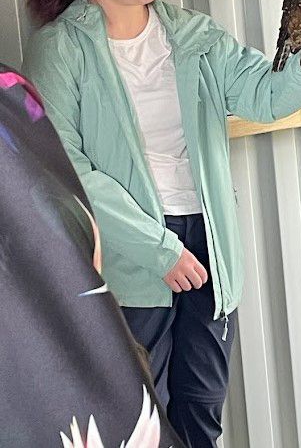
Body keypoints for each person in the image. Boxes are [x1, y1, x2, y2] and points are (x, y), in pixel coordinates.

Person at [22, 0, 301, 448]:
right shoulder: (61, 50)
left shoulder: (193, 34)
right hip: (130, 258)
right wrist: (157, 249)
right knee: (136, 420)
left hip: (207, 245)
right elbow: (67, 171)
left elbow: (259, 94)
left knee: (201, 410)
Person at [0, 63, 184, 448]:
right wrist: (161, 250)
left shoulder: (11, 94)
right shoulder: (41, 68)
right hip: (128, 278)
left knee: (196, 399)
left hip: (173, 261)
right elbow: (75, 205)